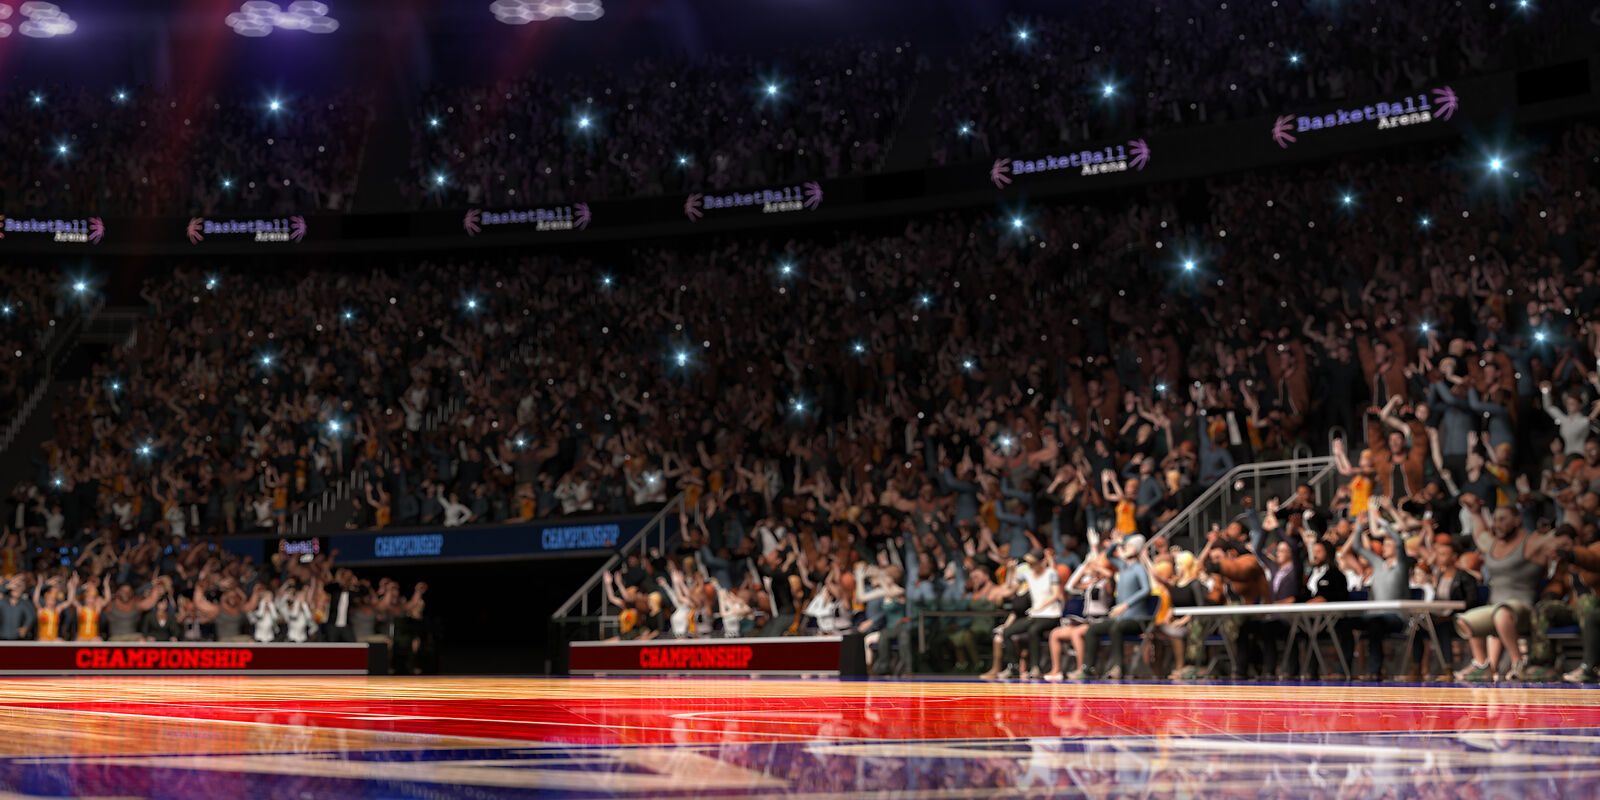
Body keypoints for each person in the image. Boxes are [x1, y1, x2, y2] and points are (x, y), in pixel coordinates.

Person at [1453, 505, 1567, 682]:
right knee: (1465, 620)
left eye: (1503, 519)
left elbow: (1563, 536)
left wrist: (1570, 507)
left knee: (1502, 613)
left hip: (1523, 608)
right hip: (1496, 608)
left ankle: (1517, 662)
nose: (1497, 524)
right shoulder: (1493, 543)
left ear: (1517, 520)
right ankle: (1483, 665)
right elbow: (1479, 534)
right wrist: (1475, 512)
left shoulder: (1532, 543)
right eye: (1495, 519)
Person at [1336, 513, 1414, 681]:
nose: (1384, 547)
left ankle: (1375, 671)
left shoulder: (1400, 565)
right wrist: (1358, 526)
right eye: (1384, 544)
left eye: (1388, 544)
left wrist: (1382, 522)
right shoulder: (1378, 564)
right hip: (1375, 616)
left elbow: (1400, 542)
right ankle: (1344, 671)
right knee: (1344, 623)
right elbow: (1357, 547)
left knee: (1375, 624)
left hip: (1396, 617)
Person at [1072, 534, 1152, 680]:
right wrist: (1115, 542)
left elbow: (1146, 589)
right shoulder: (1123, 566)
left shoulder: (1139, 568)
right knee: (1093, 629)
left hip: (1136, 619)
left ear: (1134, 549)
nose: (1123, 548)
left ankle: (1118, 667)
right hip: (1121, 618)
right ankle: (1088, 667)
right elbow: (1109, 555)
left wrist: (1126, 605)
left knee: (1116, 628)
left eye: (1127, 546)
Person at [983, 549, 1062, 681]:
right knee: (1007, 632)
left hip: (1051, 615)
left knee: (1033, 630)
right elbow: (1011, 588)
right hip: (1035, 615)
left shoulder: (1051, 573)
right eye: (1030, 563)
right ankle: (1012, 666)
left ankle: (1035, 667)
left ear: (1042, 562)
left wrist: (1041, 606)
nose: (1031, 566)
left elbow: (1056, 594)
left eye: (1034, 563)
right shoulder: (1027, 574)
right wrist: (1011, 571)